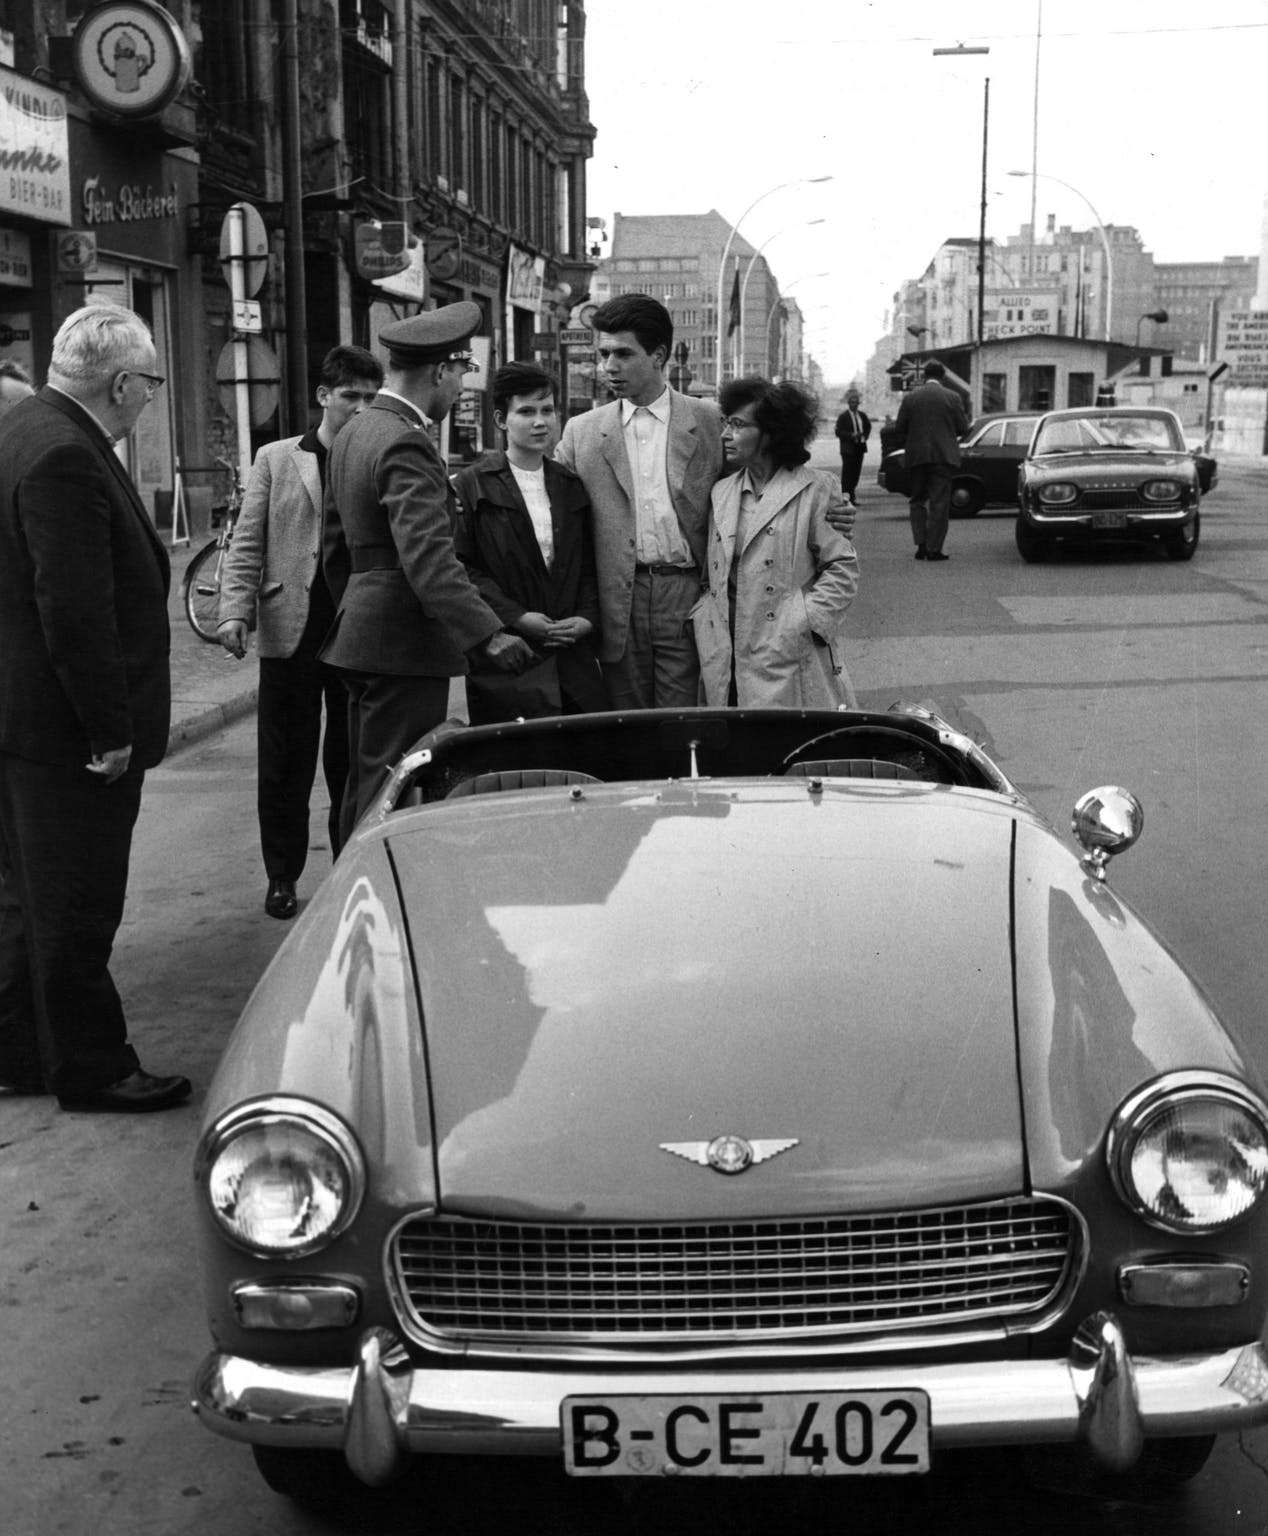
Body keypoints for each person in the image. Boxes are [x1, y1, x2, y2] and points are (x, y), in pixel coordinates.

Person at [0, 304, 189, 1111]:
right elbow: (74, 613)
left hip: (22, 723)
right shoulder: (65, 457)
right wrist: (110, 733)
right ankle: (93, 1066)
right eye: (149, 383)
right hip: (66, 733)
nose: (151, 396)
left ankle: (18, 1054)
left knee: (24, 896)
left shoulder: (23, 429)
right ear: (120, 383)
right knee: (77, 904)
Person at [321, 302, 533, 844]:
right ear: (439, 371)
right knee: (395, 786)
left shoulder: (355, 430)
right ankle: (376, 905)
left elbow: (334, 548)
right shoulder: (404, 439)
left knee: (366, 782)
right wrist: (488, 633)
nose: (461, 388)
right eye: (461, 374)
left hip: (362, 635)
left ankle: (355, 897)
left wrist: (356, 610)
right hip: (402, 644)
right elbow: (430, 559)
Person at [216, 344, 383, 918]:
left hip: (357, 630)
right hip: (291, 627)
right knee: (285, 762)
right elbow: (248, 542)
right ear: (323, 397)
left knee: (351, 760)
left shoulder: (377, 457)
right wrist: (235, 611)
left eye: (369, 398)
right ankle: (282, 876)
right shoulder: (278, 458)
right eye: (348, 397)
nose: (360, 409)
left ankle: (348, 871)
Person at [554, 293, 724, 709]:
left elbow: (759, 488)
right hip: (618, 596)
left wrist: (833, 510)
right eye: (604, 353)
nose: (609, 367)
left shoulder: (709, 422)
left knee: (681, 719)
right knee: (625, 719)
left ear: (658, 355)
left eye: (623, 354)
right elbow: (545, 501)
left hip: (686, 591)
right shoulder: (583, 432)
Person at [452, 361, 607, 723]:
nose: (540, 422)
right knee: (515, 767)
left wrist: (586, 618)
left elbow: (589, 563)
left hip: (572, 658)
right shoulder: (472, 486)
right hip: (508, 656)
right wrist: (517, 617)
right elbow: (463, 567)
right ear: (501, 420)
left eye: (547, 410)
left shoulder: (570, 485)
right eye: (526, 412)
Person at [691, 378, 859, 709]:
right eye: (726, 422)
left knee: (788, 746)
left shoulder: (816, 489)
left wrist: (802, 622)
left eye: (738, 425)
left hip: (786, 652)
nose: (725, 434)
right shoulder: (721, 492)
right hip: (727, 649)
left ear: (771, 433)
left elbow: (842, 569)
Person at [891, 359, 969, 562]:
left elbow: (899, 428)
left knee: (917, 500)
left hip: (916, 456)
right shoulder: (953, 397)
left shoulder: (911, 398)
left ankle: (921, 545)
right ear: (942, 377)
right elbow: (963, 428)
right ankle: (934, 549)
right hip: (943, 457)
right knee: (939, 502)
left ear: (924, 376)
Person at [833, 387, 871, 504]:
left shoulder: (862, 416)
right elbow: (838, 432)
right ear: (848, 403)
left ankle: (852, 496)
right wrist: (851, 435)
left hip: (859, 447)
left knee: (856, 473)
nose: (854, 405)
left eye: (856, 403)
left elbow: (868, 426)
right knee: (847, 473)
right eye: (852, 403)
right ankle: (845, 497)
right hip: (848, 448)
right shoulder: (843, 417)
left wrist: (864, 436)